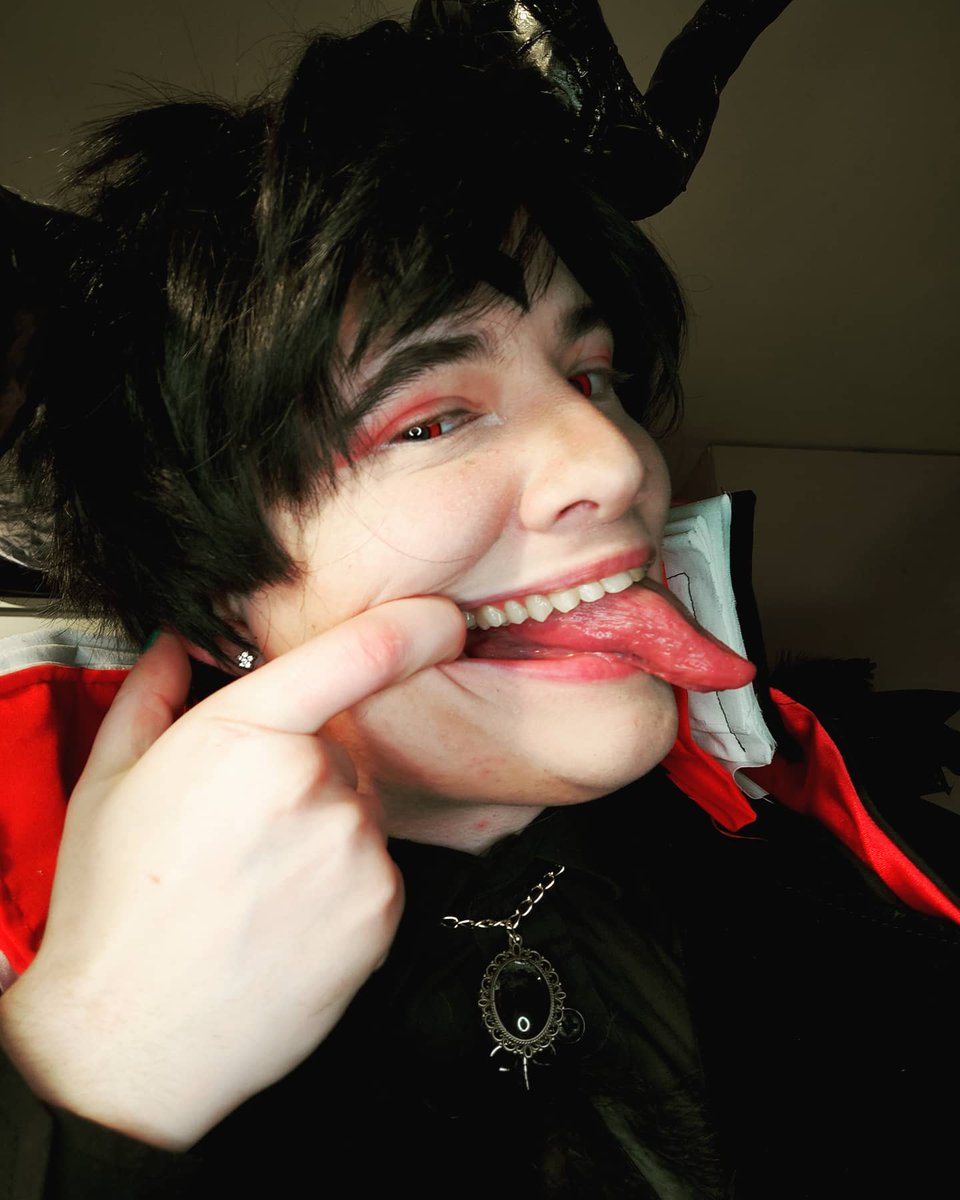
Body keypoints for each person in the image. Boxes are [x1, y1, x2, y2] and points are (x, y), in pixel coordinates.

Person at [0, 2, 958, 1196]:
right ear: (216, 603)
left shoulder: (855, 874)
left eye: (590, 377)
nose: (620, 463)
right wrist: (101, 1067)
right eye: (432, 418)